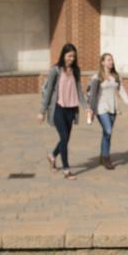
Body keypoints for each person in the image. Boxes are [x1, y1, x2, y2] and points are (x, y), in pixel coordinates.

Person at [38, 43, 86, 180]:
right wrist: (42, 111)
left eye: (73, 56)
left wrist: (86, 107)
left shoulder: (76, 71)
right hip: (58, 108)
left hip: (71, 109)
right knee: (64, 138)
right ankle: (66, 170)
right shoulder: (56, 70)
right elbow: (47, 92)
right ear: (63, 55)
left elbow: (79, 92)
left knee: (65, 139)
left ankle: (52, 156)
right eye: (69, 55)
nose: (71, 58)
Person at [86, 53, 128, 170]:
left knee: (107, 134)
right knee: (108, 130)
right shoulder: (97, 77)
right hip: (101, 107)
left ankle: (103, 156)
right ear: (102, 62)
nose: (111, 62)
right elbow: (91, 93)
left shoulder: (116, 76)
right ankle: (106, 157)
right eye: (108, 60)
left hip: (113, 108)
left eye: (112, 60)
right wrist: (91, 109)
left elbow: (121, 90)